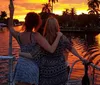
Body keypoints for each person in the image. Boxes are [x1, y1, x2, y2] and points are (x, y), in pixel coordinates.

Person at [8, 1, 62, 85]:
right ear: (36, 24)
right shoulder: (36, 36)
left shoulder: (19, 36)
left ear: (25, 22)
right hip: (32, 69)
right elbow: (51, 50)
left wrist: (11, 13)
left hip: (20, 67)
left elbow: (11, 28)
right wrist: (58, 36)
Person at [20, 16, 87, 85]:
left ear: (47, 26)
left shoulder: (43, 39)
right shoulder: (62, 38)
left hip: (46, 73)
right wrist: (80, 57)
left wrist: (20, 53)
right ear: (56, 26)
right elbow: (71, 48)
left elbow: (34, 55)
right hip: (60, 71)